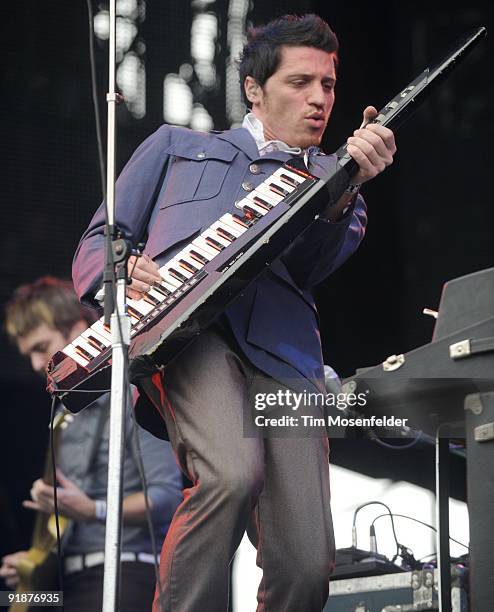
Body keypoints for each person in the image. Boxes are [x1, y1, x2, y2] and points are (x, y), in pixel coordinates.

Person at [72, 14, 396, 612]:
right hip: (191, 339)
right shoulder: (177, 147)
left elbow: (311, 268)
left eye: (327, 85)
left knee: (306, 559)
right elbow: (99, 241)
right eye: (301, 83)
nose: (320, 99)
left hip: (290, 360)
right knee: (228, 474)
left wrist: (348, 183)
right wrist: (120, 277)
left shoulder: (334, 184)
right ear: (254, 88)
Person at [0, 277, 183, 611]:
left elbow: (167, 498)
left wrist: (91, 510)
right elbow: (72, 517)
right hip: (68, 581)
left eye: (42, 348)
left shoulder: (133, 397)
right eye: (29, 354)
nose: (37, 365)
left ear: (80, 330)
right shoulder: (63, 414)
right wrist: (33, 562)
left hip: (127, 572)